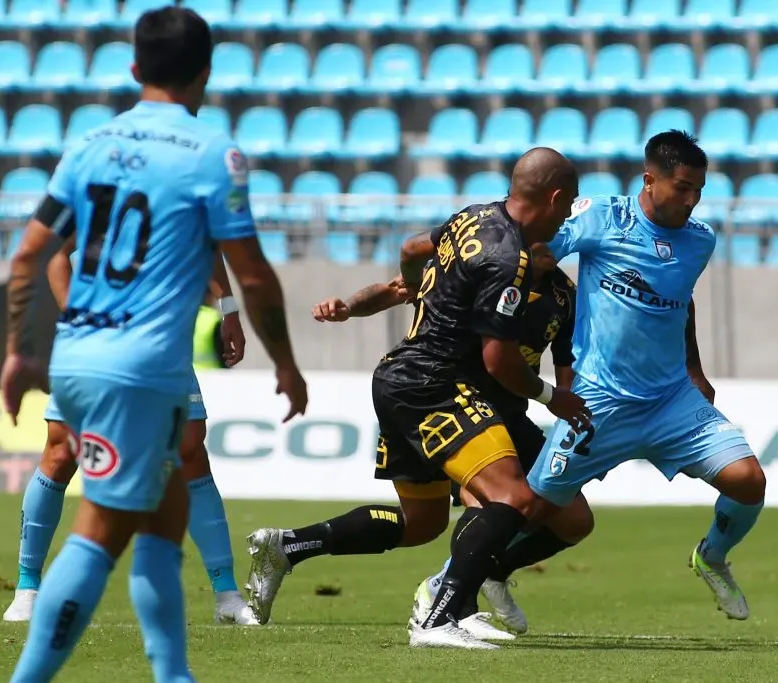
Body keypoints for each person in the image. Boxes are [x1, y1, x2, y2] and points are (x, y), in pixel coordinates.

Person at [0, 7, 308, 682]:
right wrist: (285, 361)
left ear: (135, 69)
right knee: (101, 531)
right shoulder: (211, 154)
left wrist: (19, 352)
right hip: (139, 367)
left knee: (166, 516)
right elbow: (252, 272)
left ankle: (175, 674)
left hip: (76, 356)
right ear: (207, 72)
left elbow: (27, 255)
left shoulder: (88, 144)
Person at [244, 147, 591, 650]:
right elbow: (498, 361)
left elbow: (411, 248)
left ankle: (287, 547)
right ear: (555, 198)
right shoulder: (507, 261)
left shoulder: (475, 218)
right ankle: (443, 615)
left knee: (423, 523)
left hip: (412, 379)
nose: (566, 222)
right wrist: (551, 397)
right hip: (436, 386)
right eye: (568, 206)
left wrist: (417, 290)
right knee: (509, 497)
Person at [526, 130, 767, 622]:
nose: (692, 200)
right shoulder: (601, 217)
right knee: (532, 508)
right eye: (682, 188)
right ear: (649, 180)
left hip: (671, 399)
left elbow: (680, 298)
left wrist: (695, 368)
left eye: (699, 190)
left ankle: (712, 556)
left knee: (748, 480)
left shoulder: (700, 240)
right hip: (598, 400)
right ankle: (451, 582)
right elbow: (540, 248)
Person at [309, 242, 593, 638]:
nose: (554, 244)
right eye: (546, 234)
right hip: (453, 400)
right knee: (485, 500)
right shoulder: (481, 265)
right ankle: (453, 604)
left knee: (574, 520)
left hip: (511, 410)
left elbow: (567, 363)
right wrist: (348, 307)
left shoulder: (564, 295)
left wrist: (569, 414)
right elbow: (399, 287)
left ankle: (486, 575)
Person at [2, 240, 259, 626]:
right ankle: (27, 588)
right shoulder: (98, 184)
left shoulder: (182, 185)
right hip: (91, 345)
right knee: (61, 452)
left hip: (162, 339)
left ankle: (226, 595)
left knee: (190, 453)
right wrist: (75, 315)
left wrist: (229, 309)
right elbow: (56, 252)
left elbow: (207, 243)